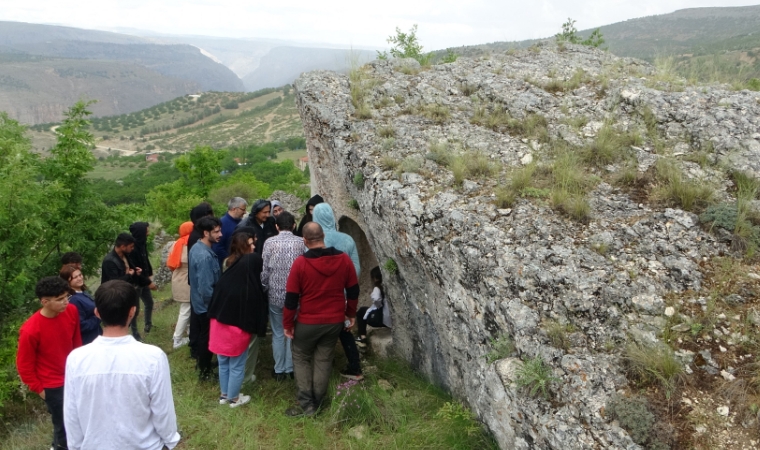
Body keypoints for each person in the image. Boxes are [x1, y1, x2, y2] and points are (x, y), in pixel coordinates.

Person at [64, 280, 181, 450]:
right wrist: (170, 440)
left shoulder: (76, 359)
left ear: (97, 313)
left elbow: (71, 414)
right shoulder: (153, 357)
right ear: (132, 312)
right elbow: (163, 411)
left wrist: (75, 446)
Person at [283, 222, 359, 417]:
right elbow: (353, 290)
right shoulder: (343, 260)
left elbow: (291, 298)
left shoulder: (301, 263)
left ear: (305, 240)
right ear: (323, 236)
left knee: (301, 357)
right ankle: (318, 401)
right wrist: (350, 313)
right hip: (334, 321)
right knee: (324, 358)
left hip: (308, 321)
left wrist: (288, 324)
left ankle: (306, 404)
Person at [17, 276, 82, 450]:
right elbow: (24, 365)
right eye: (60, 299)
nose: (65, 302)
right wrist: (40, 390)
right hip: (53, 386)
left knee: (81, 421)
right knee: (63, 428)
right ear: (45, 302)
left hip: (75, 376)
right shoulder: (30, 330)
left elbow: (77, 343)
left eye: (67, 297)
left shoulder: (72, 311)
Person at [208, 232, 268, 407]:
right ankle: (234, 399)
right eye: (251, 244)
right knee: (237, 364)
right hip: (236, 328)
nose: (254, 247)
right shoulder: (248, 287)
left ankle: (224, 395)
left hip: (218, 325)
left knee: (223, 362)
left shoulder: (227, 277)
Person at [312, 202, 363, 380]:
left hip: (321, 295)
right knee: (345, 330)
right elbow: (356, 269)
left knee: (321, 332)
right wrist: (345, 287)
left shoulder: (315, 241)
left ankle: (324, 368)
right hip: (343, 294)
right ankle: (355, 367)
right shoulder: (347, 239)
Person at [261, 211, 302, 381]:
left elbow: (265, 270)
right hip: (296, 296)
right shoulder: (301, 242)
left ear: (277, 226)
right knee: (292, 331)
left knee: (278, 332)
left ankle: (279, 370)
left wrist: (264, 288)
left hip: (275, 296)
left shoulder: (269, 242)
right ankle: (291, 368)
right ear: (293, 225)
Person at [189, 216, 223, 381]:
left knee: (205, 336)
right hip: (206, 306)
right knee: (207, 338)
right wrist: (214, 306)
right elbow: (205, 288)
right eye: (216, 232)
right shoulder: (204, 256)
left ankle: (205, 364)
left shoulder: (197, 248)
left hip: (200, 303)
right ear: (205, 233)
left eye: (219, 230)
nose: (220, 234)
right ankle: (204, 372)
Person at [101, 233, 150, 341]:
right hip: (115, 295)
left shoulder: (125, 256)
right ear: (123, 246)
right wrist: (129, 275)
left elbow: (129, 268)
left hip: (127, 291)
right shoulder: (109, 261)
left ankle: (134, 334)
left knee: (132, 313)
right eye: (131, 246)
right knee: (120, 318)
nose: (132, 249)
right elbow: (114, 282)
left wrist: (136, 272)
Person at [186, 202, 214, 358]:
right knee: (199, 318)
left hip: (196, 280)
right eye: (208, 214)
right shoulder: (198, 237)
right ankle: (197, 349)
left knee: (197, 316)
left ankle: (196, 346)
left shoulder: (196, 233)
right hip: (199, 281)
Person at [128, 222, 159, 334]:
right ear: (141, 232)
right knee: (134, 310)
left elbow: (145, 261)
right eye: (146, 230)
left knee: (149, 303)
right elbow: (135, 269)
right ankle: (135, 334)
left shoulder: (142, 244)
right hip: (136, 283)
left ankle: (148, 325)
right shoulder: (132, 249)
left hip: (143, 280)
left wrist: (149, 273)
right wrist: (148, 282)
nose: (148, 233)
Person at [167, 221, 193, 349]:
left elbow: (171, 264)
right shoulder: (190, 244)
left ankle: (189, 332)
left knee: (186, 308)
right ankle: (177, 339)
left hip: (178, 278)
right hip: (186, 280)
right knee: (186, 310)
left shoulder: (176, 244)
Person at [59, 265, 101, 345]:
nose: (79, 278)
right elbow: (81, 326)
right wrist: (98, 316)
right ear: (67, 281)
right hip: (89, 341)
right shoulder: (74, 300)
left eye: (80, 275)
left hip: (97, 335)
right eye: (75, 277)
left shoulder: (81, 292)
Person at [355, 266, 392, 346]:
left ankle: (362, 337)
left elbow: (376, 298)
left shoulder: (378, 288)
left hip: (380, 319)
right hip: (390, 320)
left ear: (375, 278)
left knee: (361, 311)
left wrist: (378, 306)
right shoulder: (389, 285)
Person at [213, 197, 248, 267]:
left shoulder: (242, 223)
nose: (245, 212)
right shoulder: (222, 224)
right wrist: (230, 259)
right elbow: (217, 247)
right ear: (234, 209)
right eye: (243, 209)